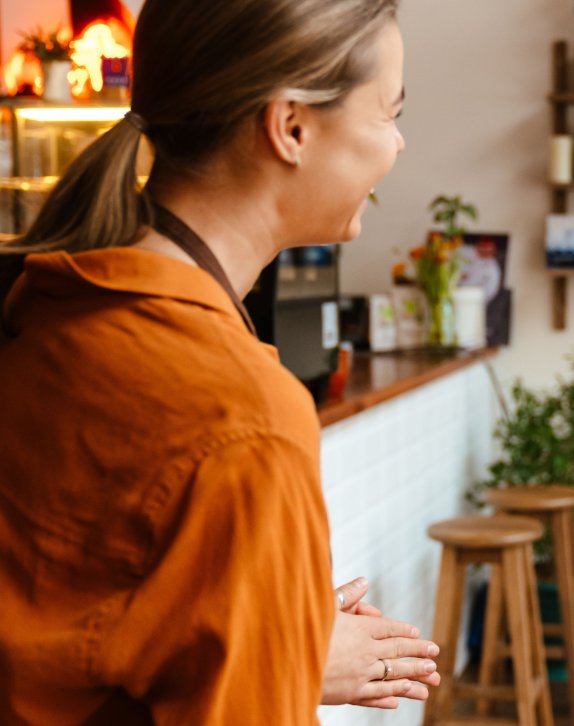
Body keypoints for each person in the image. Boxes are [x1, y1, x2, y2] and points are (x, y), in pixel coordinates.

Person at [0, 0, 441, 722]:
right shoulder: (246, 417)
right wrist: (279, 651)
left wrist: (271, 634)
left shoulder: (55, 302)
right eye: (387, 113)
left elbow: (72, 621)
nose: (396, 145)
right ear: (291, 126)